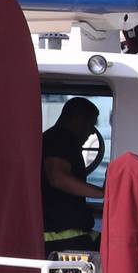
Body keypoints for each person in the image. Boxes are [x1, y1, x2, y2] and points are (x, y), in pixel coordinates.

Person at [42, 97, 107, 254]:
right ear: (77, 119)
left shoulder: (52, 138)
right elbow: (57, 178)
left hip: (61, 232)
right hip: (59, 235)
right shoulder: (60, 138)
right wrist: (101, 193)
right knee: (117, 251)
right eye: (91, 123)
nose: (92, 131)